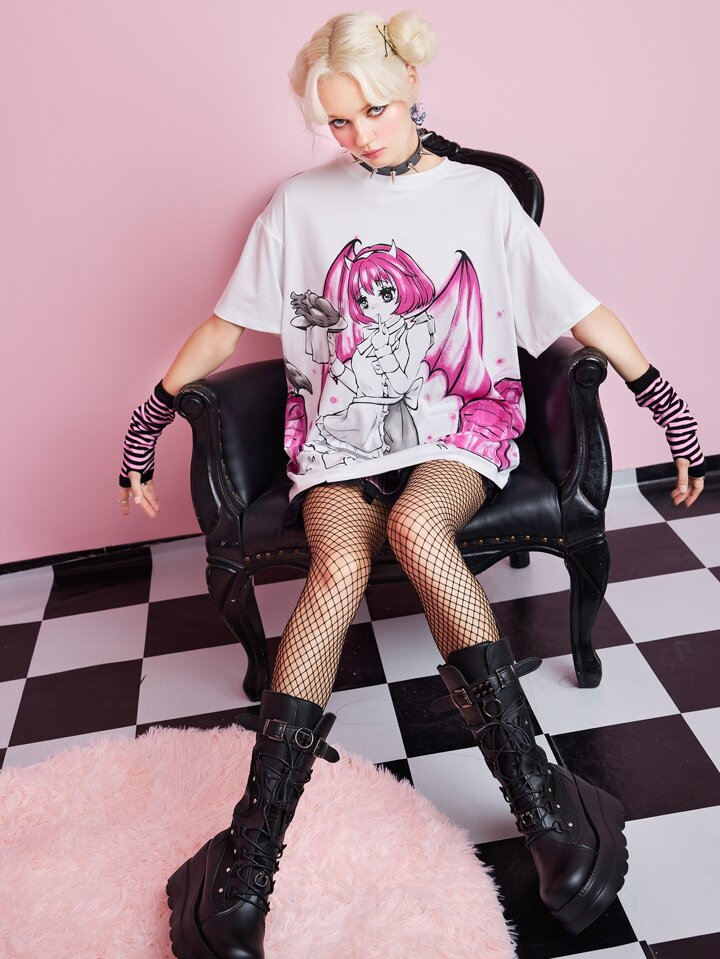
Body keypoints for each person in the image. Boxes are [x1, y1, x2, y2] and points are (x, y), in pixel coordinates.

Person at [118, 11, 705, 958]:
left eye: (375, 112)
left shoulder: (481, 197)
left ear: (411, 89)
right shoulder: (300, 204)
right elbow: (227, 324)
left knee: (419, 530)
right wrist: (145, 426)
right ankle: (249, 855)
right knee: (338, 569)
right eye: (338, 121)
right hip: (338, 441)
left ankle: (543, 800)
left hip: (459, 423)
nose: (359, 136)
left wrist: (669, 410)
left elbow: (576, 306)